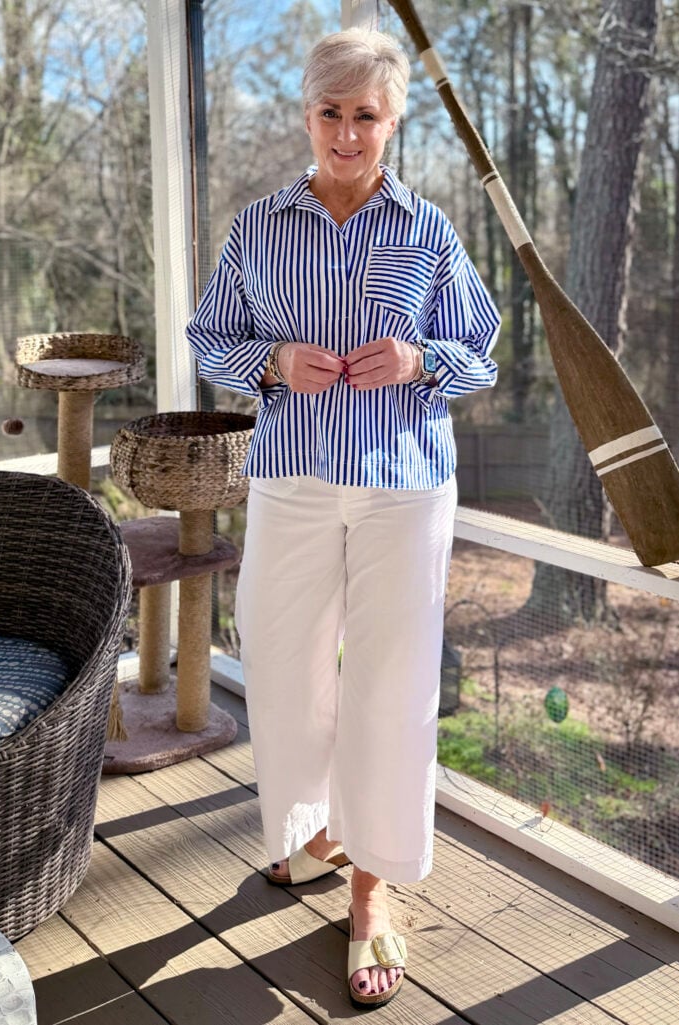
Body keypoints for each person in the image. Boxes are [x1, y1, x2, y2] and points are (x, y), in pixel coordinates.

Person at [186, 27, 500, 1011]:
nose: (347, 131)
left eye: (367, 114)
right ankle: (312, 828)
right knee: (279, 672)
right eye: (331, 110)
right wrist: (272, 362)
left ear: (393, 122)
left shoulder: (429, 230)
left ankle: (370, 889)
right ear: (306, 113)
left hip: (406, 481)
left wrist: (420, 362)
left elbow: (481, 350)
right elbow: (209, 335)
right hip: (292, 475)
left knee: (388, 688)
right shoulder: (257, 227)